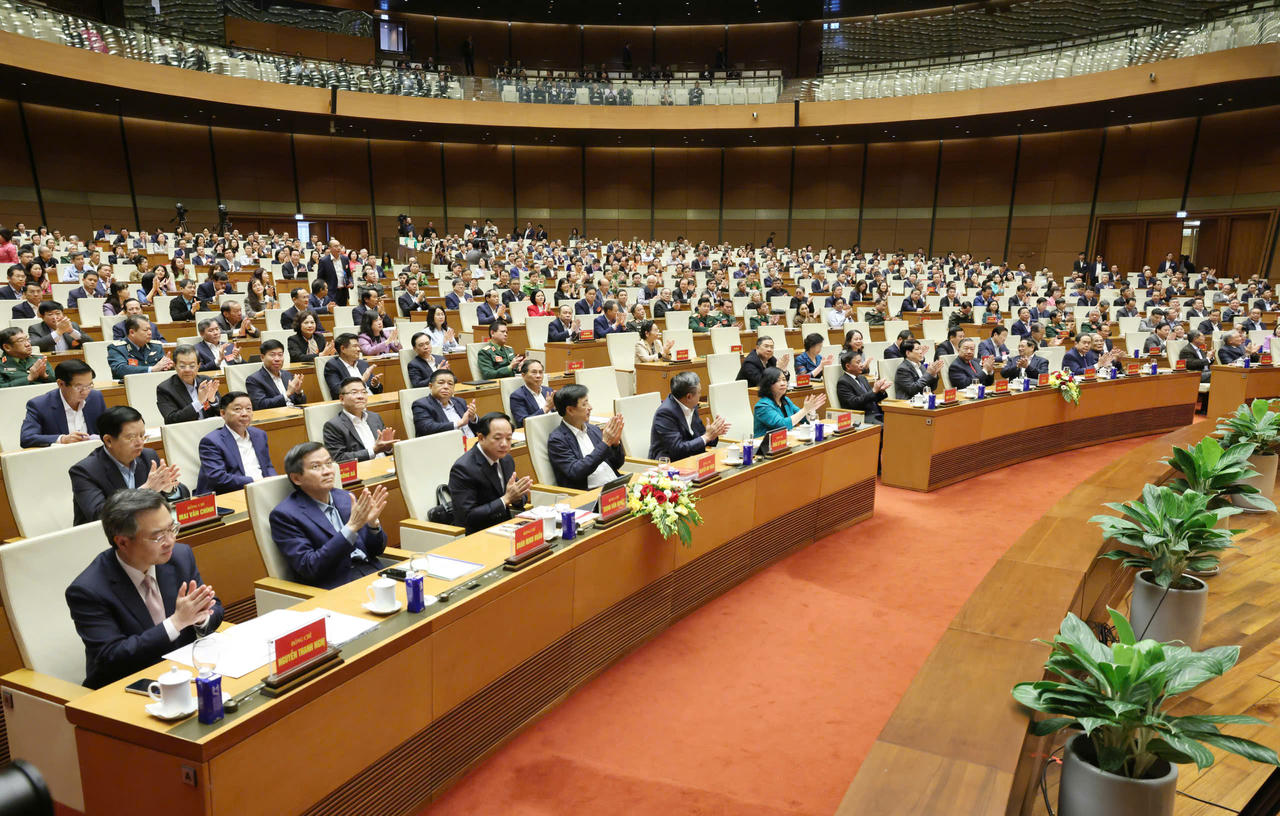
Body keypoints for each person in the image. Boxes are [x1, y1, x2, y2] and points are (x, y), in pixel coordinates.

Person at [65, 488, 223, 689]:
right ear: (123, 542)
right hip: (126, 687)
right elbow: (112, 657)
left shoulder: (179, 557)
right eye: (158, 537)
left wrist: (200, 617)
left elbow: (214, 607)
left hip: (181, 671)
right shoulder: (88, 590)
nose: (170, 541)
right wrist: (177, 622)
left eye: (171, 529)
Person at [268, 442, 389, 589]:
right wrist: (350, 529)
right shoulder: (285, 515)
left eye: (329, 463)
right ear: (296, 478)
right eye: (316, 467)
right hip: (337, 586)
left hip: (375, 575)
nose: (327, 471)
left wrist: (372, 526)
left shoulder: (345, 497)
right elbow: (309, 567)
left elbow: (376, 551)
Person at [69, 406, 187, 525]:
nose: (140, 443)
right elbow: (99, 516)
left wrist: (169, 490)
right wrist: (145, 491)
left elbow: (183, 494)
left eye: (142, 436)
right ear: (108, 441)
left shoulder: (148, 457)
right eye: (131, 438)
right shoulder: (85, 471)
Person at [447, 412, 532, 534]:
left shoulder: (506, 459)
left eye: (508, 438)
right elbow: (467, 517)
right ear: (481, 438)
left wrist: (517, 497)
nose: (504, 444)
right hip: (478, 535)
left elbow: (516, 494)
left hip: (505, 527)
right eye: (497, 438)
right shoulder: (463, 468)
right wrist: (506, 499)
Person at [194, 392, 276, 494]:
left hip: (262, 490)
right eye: (238, 409)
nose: (245, 413)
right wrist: (255, 482)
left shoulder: (260, 435)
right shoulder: (211, 442)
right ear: (223, 413)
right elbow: (218, 478)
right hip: (230, 494)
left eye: (249, 408)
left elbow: (267, 466)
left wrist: (274, 482)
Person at [547, 384, 625, 490]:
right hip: (591, 493)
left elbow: (616, 464)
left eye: (588, 401)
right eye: (584, 404)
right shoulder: (557, 440)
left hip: (615, 484)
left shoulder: (593, 430)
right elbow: (576, 472)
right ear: (570, 410)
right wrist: (605, 443)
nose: (590, 407)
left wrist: (615, 445)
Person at [20, 360, 105, 446]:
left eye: (89, 386)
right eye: (79, 387)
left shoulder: (95, 397)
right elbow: (27, 438)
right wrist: (63, 439)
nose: (85, 392)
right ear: (61, 384)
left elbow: (107, 430)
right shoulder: (39, 405)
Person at [648, 371, 728, 460]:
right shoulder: (665, 413)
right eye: (699, 392)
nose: (700, 396)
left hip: (691, 459)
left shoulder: (691, 405)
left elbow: (701, 438)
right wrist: (706, 436)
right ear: (689, 397)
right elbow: (677, 449)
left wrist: (713, 434)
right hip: (668, 464)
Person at [323, 377, 396, 462]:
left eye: (364, 392)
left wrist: (388, 448)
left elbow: (386, 450)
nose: (361, 396)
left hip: (386, 465)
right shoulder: (333, 426)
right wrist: (373, 451)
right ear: (342, 399)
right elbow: (339, 458)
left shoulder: (375, 417)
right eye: (354, 392)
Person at [156, 345, 221, 423]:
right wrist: (199, 402)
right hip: (186, 432)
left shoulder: (207, 382)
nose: (187, 370)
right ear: (175, 366)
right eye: (182, 366)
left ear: (198, 366)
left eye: (192, 366)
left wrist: (212, 400)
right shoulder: (165, 389)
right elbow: (171, 419)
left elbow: (223, 412)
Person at [753, 367, 825, 437]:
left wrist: (810, 411)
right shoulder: (762, 406)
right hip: (766, 445)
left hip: (784, 442)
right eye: (777, 381)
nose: (783, 383)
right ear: (768, 384)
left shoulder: (785, 400)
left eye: (784, 380)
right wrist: (805, 410)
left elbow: (803, 419)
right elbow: (782, 425)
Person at [413, 367, 479, 438]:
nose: (446, 387)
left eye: (450, 384)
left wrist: (473, 418)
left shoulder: (460, 401)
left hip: (473, 442)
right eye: (441, 383)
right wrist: (460, 423)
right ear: (431, 386)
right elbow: (426, 428)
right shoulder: (421, 405)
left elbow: (480, 428)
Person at [246, 339, 308, 409]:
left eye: (280, 355)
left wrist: (298, 392)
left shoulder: (287, 375)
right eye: (272, 355)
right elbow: (260, 405)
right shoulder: (254, 380)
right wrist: (287, 394)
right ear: (262, 357)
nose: (277, 359)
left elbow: (302, 403)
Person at [107, 316, 173, 380]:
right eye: (145, 330)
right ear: (132, 332)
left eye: (150, 329)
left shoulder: (156, 346)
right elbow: (120, 369)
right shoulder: (117, 348)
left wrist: (167, 366)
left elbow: (162, 366)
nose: (150, 333)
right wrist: (152, 369)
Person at [835, 350, 889, 424]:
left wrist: (881, 391)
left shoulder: (862, 378)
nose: (861, 365)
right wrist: (873, 391)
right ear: (848, 366)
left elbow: (872, 397)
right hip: (862, 417)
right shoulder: (843, 382)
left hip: (877, 413)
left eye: (861, 362)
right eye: (858, 362)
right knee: (889, 427)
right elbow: (853, 403)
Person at [324, 333, 384, 398]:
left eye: (358, 346)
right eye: (355, 346)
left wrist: (375, 385)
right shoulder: (333, 365)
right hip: (353, 405)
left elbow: (378, 391)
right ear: (343, 349)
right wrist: (362, 380)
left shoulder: (363, 364)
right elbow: (337, 391)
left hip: (372, 400)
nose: (359, 349)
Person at [509, 359, 554, 429]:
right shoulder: (517, 396)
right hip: (536, 431)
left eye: (541, 372)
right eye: (534, 372)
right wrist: (546, 408)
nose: (538, 376)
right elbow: (523, 422)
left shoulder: (548, 390)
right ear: (523, 375)